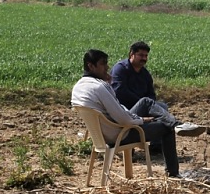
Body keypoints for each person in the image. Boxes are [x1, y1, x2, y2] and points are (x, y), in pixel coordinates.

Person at [71, 49, 183, 178]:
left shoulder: (78, 87)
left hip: (102, 136)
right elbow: (124, 120)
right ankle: (173, 173)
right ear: (91, 66)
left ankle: (176, 123)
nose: (107, 67)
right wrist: (141, 120)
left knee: (146, 102)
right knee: (166, 128)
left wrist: (136, 117)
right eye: (103, 64)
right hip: (119, 135)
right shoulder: (99, 87)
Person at [110, 40, 204, 138]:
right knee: (147, 103)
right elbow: (120, 91)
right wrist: (142, 103)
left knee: (162, 106)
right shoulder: (120, 69)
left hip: (141, 108)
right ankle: (177, 125)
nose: (144, 58)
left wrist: (148, 105)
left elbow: (151, 94)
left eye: (146, 56)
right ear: (131, 54)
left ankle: (156, 144)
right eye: (141, 55)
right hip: (124, 111)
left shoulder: (145, 74)